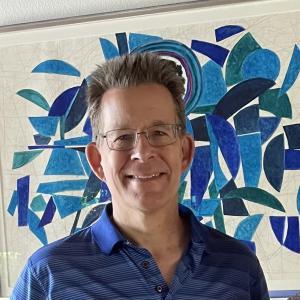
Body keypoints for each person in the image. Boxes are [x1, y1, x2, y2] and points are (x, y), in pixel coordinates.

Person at [11, 52, 270, 299]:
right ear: (97, 161)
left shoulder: (239, 269)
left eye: (159, 132)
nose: (143, 153)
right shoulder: (47, 276)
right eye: (122, 137)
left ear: (185, 152)